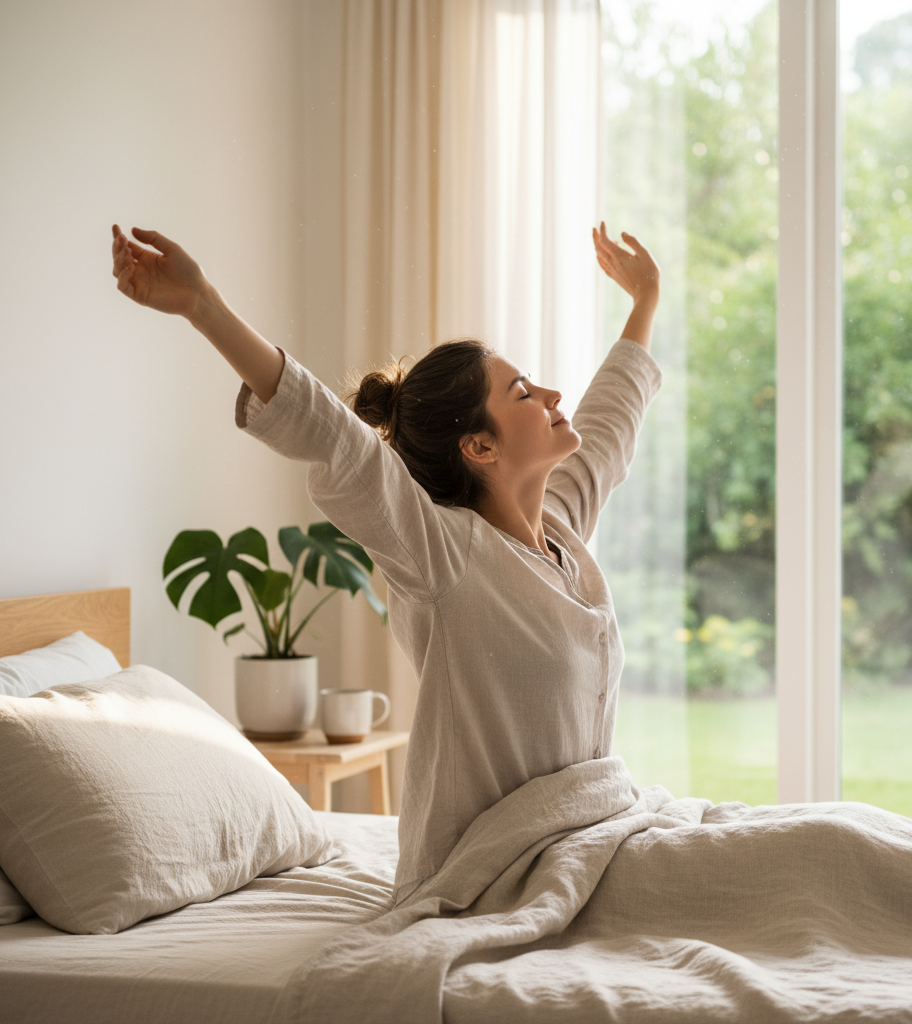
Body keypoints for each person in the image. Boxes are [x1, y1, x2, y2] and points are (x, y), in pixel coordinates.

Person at [110, 221, 662, 904]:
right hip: (497, 876)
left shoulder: (559, 532)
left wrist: (644, 300)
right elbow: (335, 437)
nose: (551, 395)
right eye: (522, 392)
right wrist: (202, 305)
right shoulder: (442, 554)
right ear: (480, 448)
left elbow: (609, 423)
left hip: (585, 843)